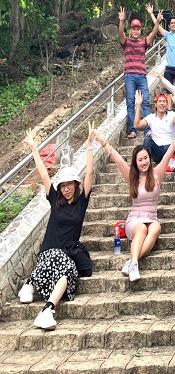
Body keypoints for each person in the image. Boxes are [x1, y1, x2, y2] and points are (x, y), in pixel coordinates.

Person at [18, 125, 95, 330]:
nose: (66, 188)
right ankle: (30, 284)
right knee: (65, 266)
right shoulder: (55, 200)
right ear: (59, 188)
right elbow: (44, 175)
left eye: (69, 184)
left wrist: (89, 146)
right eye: (63, 185)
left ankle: (47, 310)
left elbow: (89, 173)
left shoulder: (81, 203)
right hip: (48, 254)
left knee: (67, 272)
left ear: (75, 184)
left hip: (65, 256)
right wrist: (34, 148)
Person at [95, 124, 175, 281]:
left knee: (156, 228)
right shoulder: (132, 176)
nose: (144, 162)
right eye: (140, 160)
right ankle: (135, 265)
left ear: (149, 159)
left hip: (152, 218)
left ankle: (132, 261)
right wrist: (104, 143)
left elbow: (168, 153)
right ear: (135, 162)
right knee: (141, 229)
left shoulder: (157, 174)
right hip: (135, 219)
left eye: (146, 158)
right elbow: (117, 158)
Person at [119, 6, 162, 139]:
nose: (136, 31)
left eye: (138, 29)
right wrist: (121, 21)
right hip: (129, 76)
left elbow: (153, 33)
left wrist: (157, 22)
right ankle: (133, 130)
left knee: (145, 102)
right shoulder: (126, 42)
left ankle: (148, 129)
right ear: (130, 30)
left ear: (140, 30)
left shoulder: (144, 42)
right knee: (130, 103)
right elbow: (120, 33)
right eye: (134, 29)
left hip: (142, 76)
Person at [134, 89, 175, 170]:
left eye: (164, 101)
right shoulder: (151, 117)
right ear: (156, 104)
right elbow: (136, 125)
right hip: (158, 151)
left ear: (167, 105)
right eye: (159, 101)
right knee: (147, 140)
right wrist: (138, 105)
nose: (161, 103)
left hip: (170, 149)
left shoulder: (171, 115)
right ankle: (147, 170)